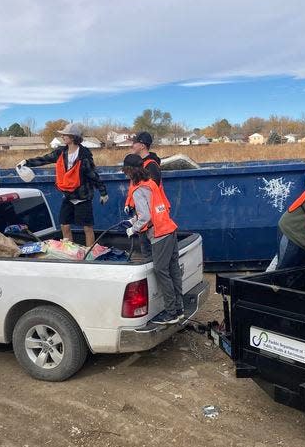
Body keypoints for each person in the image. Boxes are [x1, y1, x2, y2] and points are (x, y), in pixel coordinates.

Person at [18, 123, 108, 247]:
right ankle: (70, 251)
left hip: (83, 197)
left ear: (72, 137)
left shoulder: (84, 155)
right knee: (64, 225)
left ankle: (90, 254)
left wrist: (103, 192)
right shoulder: (61, 152)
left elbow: (92, 174)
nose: (63, 137)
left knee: (87, 228)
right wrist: (27, 162)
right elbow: (45, 159)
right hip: (68, 196)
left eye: (65, 135)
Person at [122, 153, 183, 325]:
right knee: (173, 270)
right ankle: (179, 309)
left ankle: (171, 313)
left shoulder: (138, 189)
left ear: (130, 171)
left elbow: (146, 216)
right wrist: (133, 220)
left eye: (126, 171)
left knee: (161, 271)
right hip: (170, 229)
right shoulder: (150, 184)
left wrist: (132, 229)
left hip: (160, 234)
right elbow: (152, 209)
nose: (125, 174)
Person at [124, 131, 171, 257]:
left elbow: (150, 195)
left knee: (150, 254)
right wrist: (129, 203)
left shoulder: (151, 166)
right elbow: (134, 188)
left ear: (142, 145)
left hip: (153, 219)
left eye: (134, 143)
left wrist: (139, 220)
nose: (132, 146)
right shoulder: (138, 164)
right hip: (144, 215)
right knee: (147, 251)